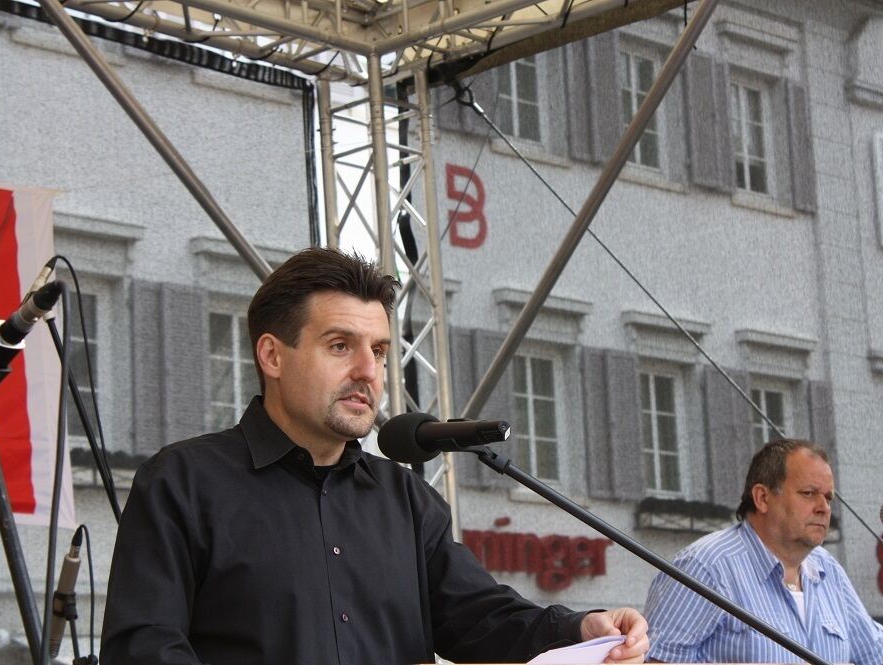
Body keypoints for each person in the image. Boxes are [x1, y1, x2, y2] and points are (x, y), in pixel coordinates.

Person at [101, 247, 648, 665]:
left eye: (380, 350)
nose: (368, 370)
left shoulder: (406, 500)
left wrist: (581, 630)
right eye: (341, 346)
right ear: (272, 354)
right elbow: (145, 649)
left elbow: (481, 619)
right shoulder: (185, 482)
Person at [643, 439, 883, 665]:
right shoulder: (705, 566)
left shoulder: (828, 571)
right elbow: (656, 659)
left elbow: (877, 654)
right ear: (762, 498)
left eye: (828, 497)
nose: (824, 508)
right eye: (809, 493)